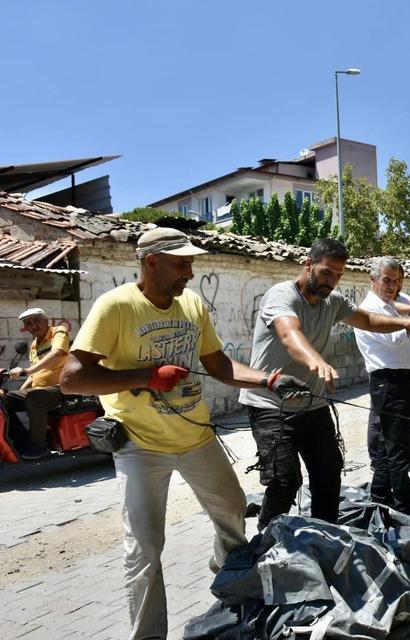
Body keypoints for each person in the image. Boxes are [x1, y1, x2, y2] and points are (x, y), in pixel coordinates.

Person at [59, 227, 308, 640]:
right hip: (140, 446)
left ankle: (232, 593)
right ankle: (149, 635)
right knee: (144, 548)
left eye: (191, 263)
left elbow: (219, 365)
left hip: (196, 439)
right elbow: (71, 379)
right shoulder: (115, 306)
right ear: (151, 261)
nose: (190, 273)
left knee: (232, 516)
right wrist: (146, 376)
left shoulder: (191, 305)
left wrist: (268, 380)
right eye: (182, 264)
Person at [240, 240, 410, 530]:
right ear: (308, 264)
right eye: (326, 272)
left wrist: (407, 322)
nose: (332, 281)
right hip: (270, 405)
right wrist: (315, 361)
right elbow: (288, 333)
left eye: (338, 275)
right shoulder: (281, 295)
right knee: (284, 481)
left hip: (313, 403)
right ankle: (266, 542)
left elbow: (368, 319)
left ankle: (325, 536)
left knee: (329, 474)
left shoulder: (332, 302)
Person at [354, 257, 410, 514]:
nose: (393, 285)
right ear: (373, 280)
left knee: (387, 445)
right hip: (389, 383)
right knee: (398, 447)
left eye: (397, 280)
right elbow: (393, 338)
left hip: (403, 380)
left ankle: (380, 496)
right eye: (387, 280)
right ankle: (405, 506)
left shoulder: (391, 304)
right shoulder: (371, 308)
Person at [3, 308, 70, 459]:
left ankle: (40, 447)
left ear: (46, 321)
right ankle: (22, 442)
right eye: (28, 323)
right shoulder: (33, 345)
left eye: (37, 321)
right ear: (25, 328)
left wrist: (27, 370)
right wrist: (18, 393)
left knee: (34, 397)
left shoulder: (58, 331)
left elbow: (57, 353)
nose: (33, 326)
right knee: (4, 401)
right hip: (40, 390)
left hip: (62, 388)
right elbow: (34, 375)